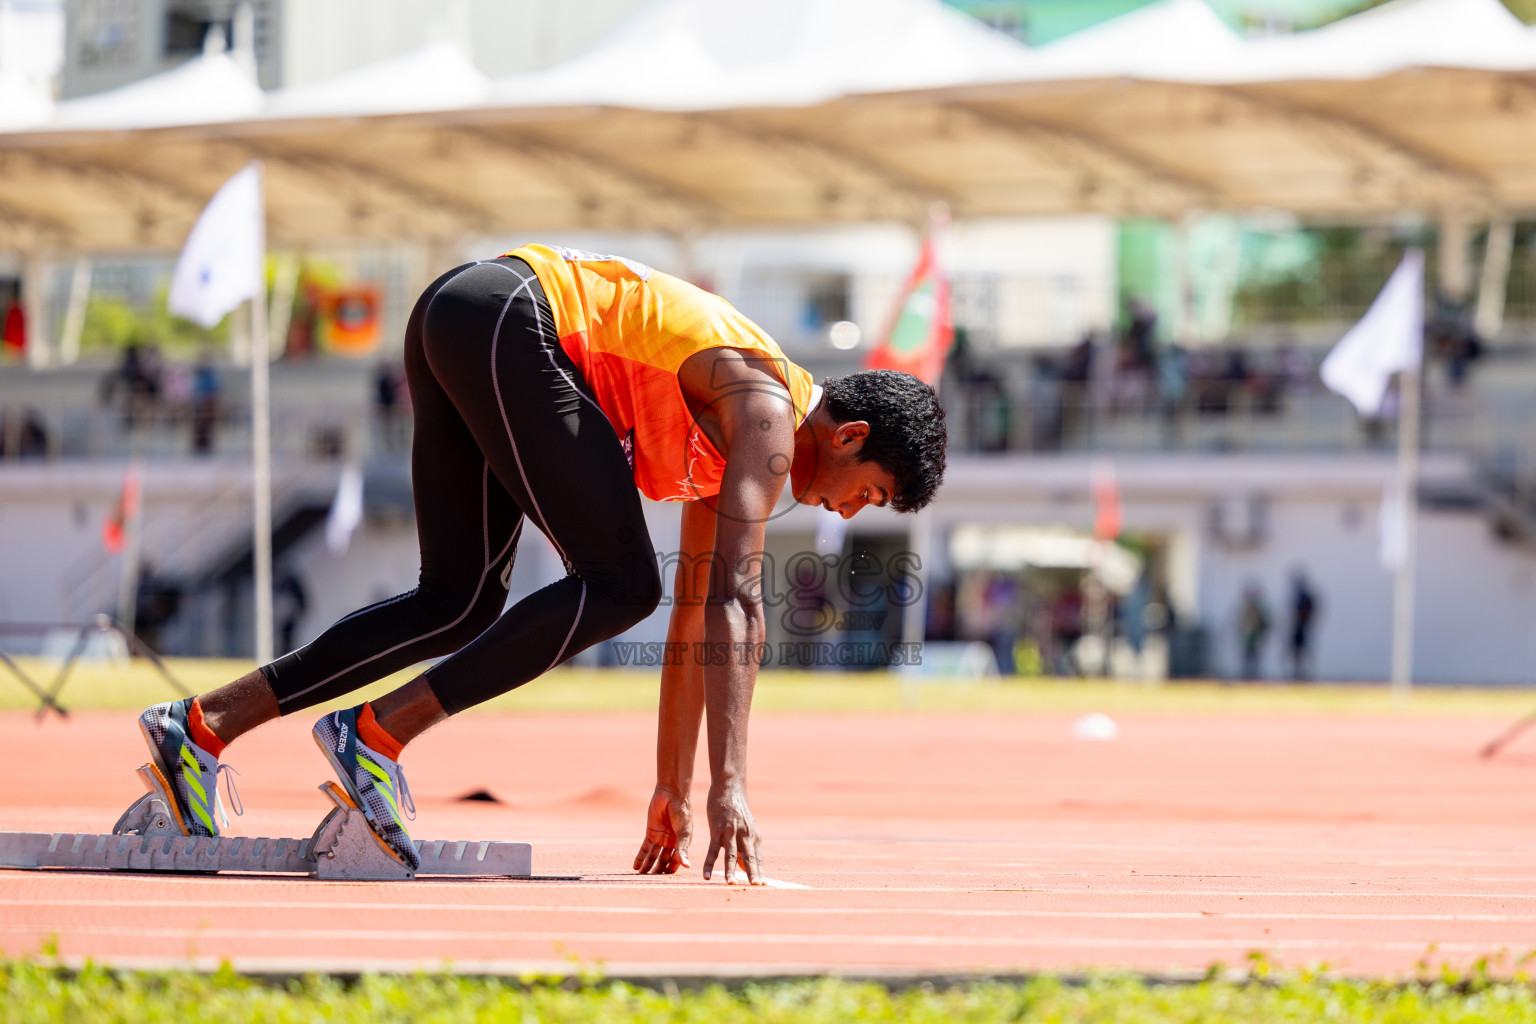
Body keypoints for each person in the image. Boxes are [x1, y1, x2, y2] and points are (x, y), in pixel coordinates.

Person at [131, 245, 947, 884]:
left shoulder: (738, 447)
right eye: (866, 495)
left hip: (466, 312)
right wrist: (731, 785)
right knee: (622, 581)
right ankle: (373, 737)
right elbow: (740, 603)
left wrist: (674, 786)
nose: (848, 512)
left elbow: (698, 621)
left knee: (458, 601)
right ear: (848, 438)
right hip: (510, 317)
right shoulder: (768, 415)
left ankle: (198, 728)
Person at [1287, 569, 1318, 681]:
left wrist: (1301, 617)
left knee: (1304, 651)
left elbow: (1310, 611)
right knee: (1296, 652)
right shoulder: (1296, 596)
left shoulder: (1306, 597)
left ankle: (1305, 675)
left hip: (1303, 627)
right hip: (1297, 628)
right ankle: (1297, 674)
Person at [1237, 583, 1270, 681]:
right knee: (1247, 656)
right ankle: (1245, 675)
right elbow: (1242, 622)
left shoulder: (1258, 609)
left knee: (1255, 656)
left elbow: (1262, 623)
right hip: (1247, 637)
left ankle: (1254, 675)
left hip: (1255, 636)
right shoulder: (1246, 609)